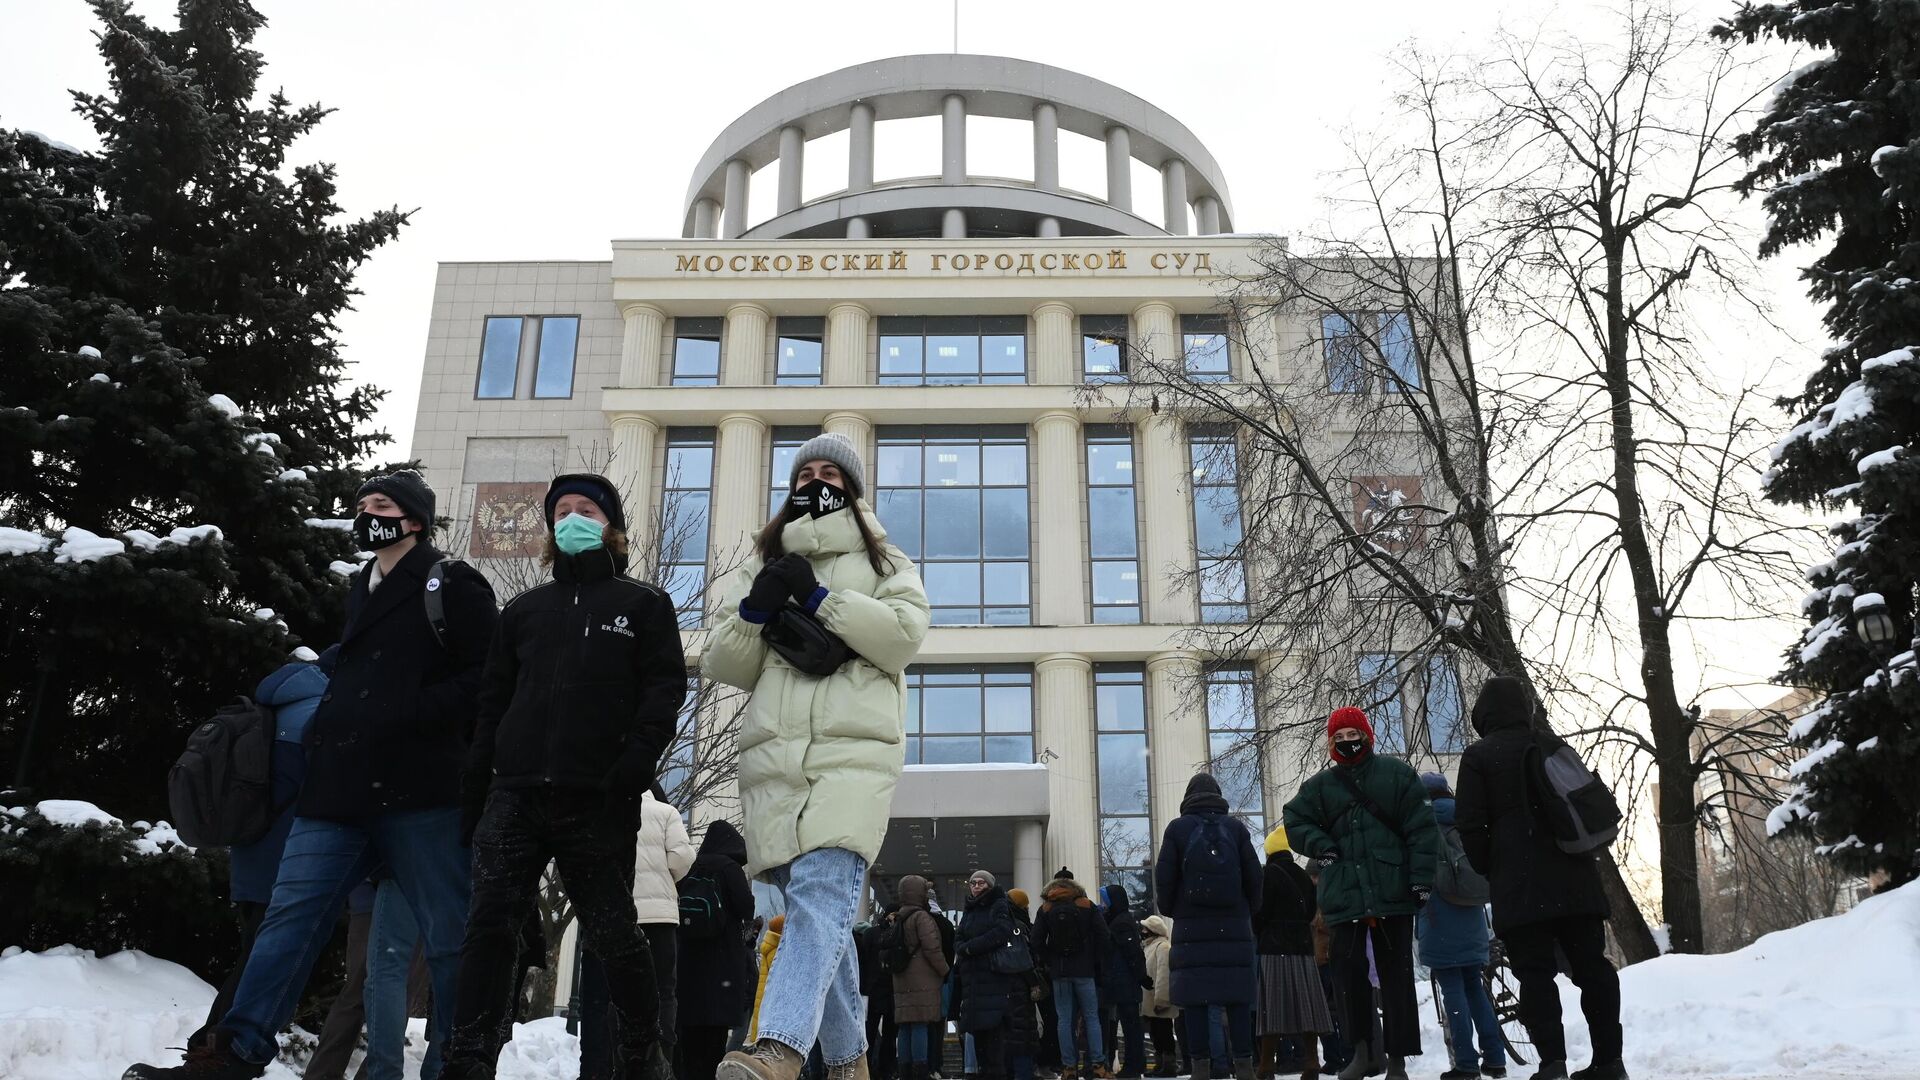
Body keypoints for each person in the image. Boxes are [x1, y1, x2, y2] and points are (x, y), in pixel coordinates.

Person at [125, 470, 499, 1080]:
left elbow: (486, 679)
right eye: (362, 504)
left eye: (382, 505)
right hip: (337, 792)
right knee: (288, 921)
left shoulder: (452, 583)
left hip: (422, 792)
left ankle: (457, 1062)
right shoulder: (363, 586)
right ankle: (235, 1054)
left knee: (448, 936)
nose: (367, 513)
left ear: (415, 518)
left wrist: (405, 713)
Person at [439, 472, 685, 1080]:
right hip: (514, 794)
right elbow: (491, 704)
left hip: (597, 798)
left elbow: (664, 692)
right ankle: (467, 1060)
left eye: (588, 511)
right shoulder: (522, 611)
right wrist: (477, 789)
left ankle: (639, 1053)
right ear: (550, 528)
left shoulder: (643, 605)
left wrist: (633, 768)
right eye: (563, 511)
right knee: (488, 928)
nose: (574, 519)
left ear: (613, 527)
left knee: (614, 935)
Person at [704, 432, 931, 1080]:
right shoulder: (762, 564)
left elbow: (903, 636)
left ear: (853, 492)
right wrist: (757, 606)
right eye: (806, 473)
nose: (817, 482)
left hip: (853, 757)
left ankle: (778, 1047)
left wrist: (819, 598)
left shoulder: (887, 562)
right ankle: (850, 1063)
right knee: (812, 915)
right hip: (774, 765)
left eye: (832, 473)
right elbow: (725, 660)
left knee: (823, 896)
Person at [1454, 678, 1624, 1080]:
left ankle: (1553, 1065)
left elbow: (1470, 825)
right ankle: (1609, 1061)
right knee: (1592, 969)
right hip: (1576, 880)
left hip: (1520, 886)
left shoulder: (1479, 756)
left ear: (1484, 715)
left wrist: (1489, 867)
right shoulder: (1549, 744)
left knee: (1534, 974)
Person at [1283, 707, 1440, 1080]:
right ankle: (1363, 1052)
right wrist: (1322, 845)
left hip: (1391, 891)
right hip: (1345, 897)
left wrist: (1420, 880)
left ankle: (1398, 1059)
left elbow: (1422, 830)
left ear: (1366, 735)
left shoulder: (1397, 775)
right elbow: (1294, 820)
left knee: (1395, 977)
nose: (1347, 742)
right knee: (1347, 976)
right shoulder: (1321, 786)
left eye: (1352, 734)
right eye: (1338, 738)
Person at [196, 657, 330, 1038]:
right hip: (286, 862)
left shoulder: (273, 710)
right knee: (259, 966)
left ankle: (211, 1045)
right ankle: (211, 1046)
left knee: (252, 957)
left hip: (250, 856)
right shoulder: (317, 715)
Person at [1155, 774, 1263, 1080]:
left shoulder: (1178, 829)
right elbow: (1255, 878)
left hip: (1191, 929)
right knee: (1238, 998)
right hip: (1234, 928)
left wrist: (1173, 910)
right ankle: (1244, 1064)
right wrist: (1246, 911)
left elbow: (1164, 879)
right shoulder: (1236, 828)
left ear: (1188, 797)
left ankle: (1200, 1066)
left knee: (1196, 1000)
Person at [1415, 773, 1506, 1080]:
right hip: (1472, 916)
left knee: (1452, 991)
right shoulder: (1465, 820)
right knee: (1476, 990)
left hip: (1440, 918)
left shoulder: (1422, 825)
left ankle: (1466, 1064)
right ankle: (1495, 1059)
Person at [678, 820, 757, 1080]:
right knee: (713, 1044)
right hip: (720, 970)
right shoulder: (729, 868)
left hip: (689, 968)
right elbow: (746, 906)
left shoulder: (691, 867)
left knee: (688, 1043)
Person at [1253, 827, 1333, 1080]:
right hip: (1302, 947)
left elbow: (1260, 912)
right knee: (1306, 1006)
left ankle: (1266, 1065)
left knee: (1271, 1008)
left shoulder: (1267, 876)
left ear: (1269, 853)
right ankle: (1311, 1061)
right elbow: (1311, 911)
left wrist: (1262, 931)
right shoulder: (1302, 875)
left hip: (1274, 948)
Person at [1032, 868, 1110, 1079]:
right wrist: (1093, 960)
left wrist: (1051, 961)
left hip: (1060, 973)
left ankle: (1068, 1067)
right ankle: (1098, 1065)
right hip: (1085, 971)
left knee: (1064, 1020)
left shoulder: (1046, 908)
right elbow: (1104, 936)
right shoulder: (1086, 905)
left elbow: (1036, 941)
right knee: (1092, 1018)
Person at [953, 870, 1019, 1080]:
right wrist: (963, 949)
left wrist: (971, 948)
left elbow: (1002, 932)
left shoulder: (999, 905)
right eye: (973, 882)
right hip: (973, 985)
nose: (976, 886)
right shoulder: (970, 910)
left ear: (990, 885)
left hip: (992, 981)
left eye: (981, 883)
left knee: (994, 1044)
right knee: (979, 1042)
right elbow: (959, 937)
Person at [889, 876, 952, 1080]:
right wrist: (945, 970)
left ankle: (904, 1069)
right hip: (923, 980)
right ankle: (920, 1070)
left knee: (905, 1026)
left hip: (902, 979)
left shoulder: (899, 917)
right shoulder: (922, 917)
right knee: (919, 1025)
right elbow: (932, 948)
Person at [1095, 886, 1149, 1079]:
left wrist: (1141, 976)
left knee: (1131, 1026)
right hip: (1123, 981)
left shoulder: (1120, 923)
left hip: (1124, 982)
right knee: (1131, 1025)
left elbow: (1132, 953)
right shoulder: (1120, 921)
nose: (1103, 905)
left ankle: (1134, 1065)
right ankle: (1135, 1063)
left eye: (1105, 901)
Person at [1004, 889, 1044, 1080]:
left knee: (1011, 1035)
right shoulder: (1019, 927)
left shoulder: (1001, 924)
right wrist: (1034, 982)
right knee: (1022, 1035)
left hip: (1005, 988)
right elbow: (1024, 959)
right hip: (1021, 987)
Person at [1136, 916, 1178, 1079]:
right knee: (1156, 1034)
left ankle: (1168, 1065)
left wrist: (1162, 1000)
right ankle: (1160, 1063)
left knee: (1164, 1034)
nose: (1143, 932)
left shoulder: (1162, 947)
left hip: (1159, 1000)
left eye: (1145, 929)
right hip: (1150, 1000)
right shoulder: (1150, 946)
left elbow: (1163, 975)